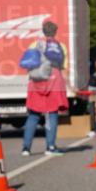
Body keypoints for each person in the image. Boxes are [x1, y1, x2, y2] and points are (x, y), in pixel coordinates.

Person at [21, 20, 70, 156]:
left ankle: (26, 148)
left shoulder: (35, 44)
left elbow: (28, 64)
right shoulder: (62, 46)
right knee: (51, 114)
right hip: (54, 80)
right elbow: (64, 70)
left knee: (33, 115)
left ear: (43, 31)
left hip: (37, 80)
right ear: (55, 32)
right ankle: (51, 147)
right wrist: (70, 87)